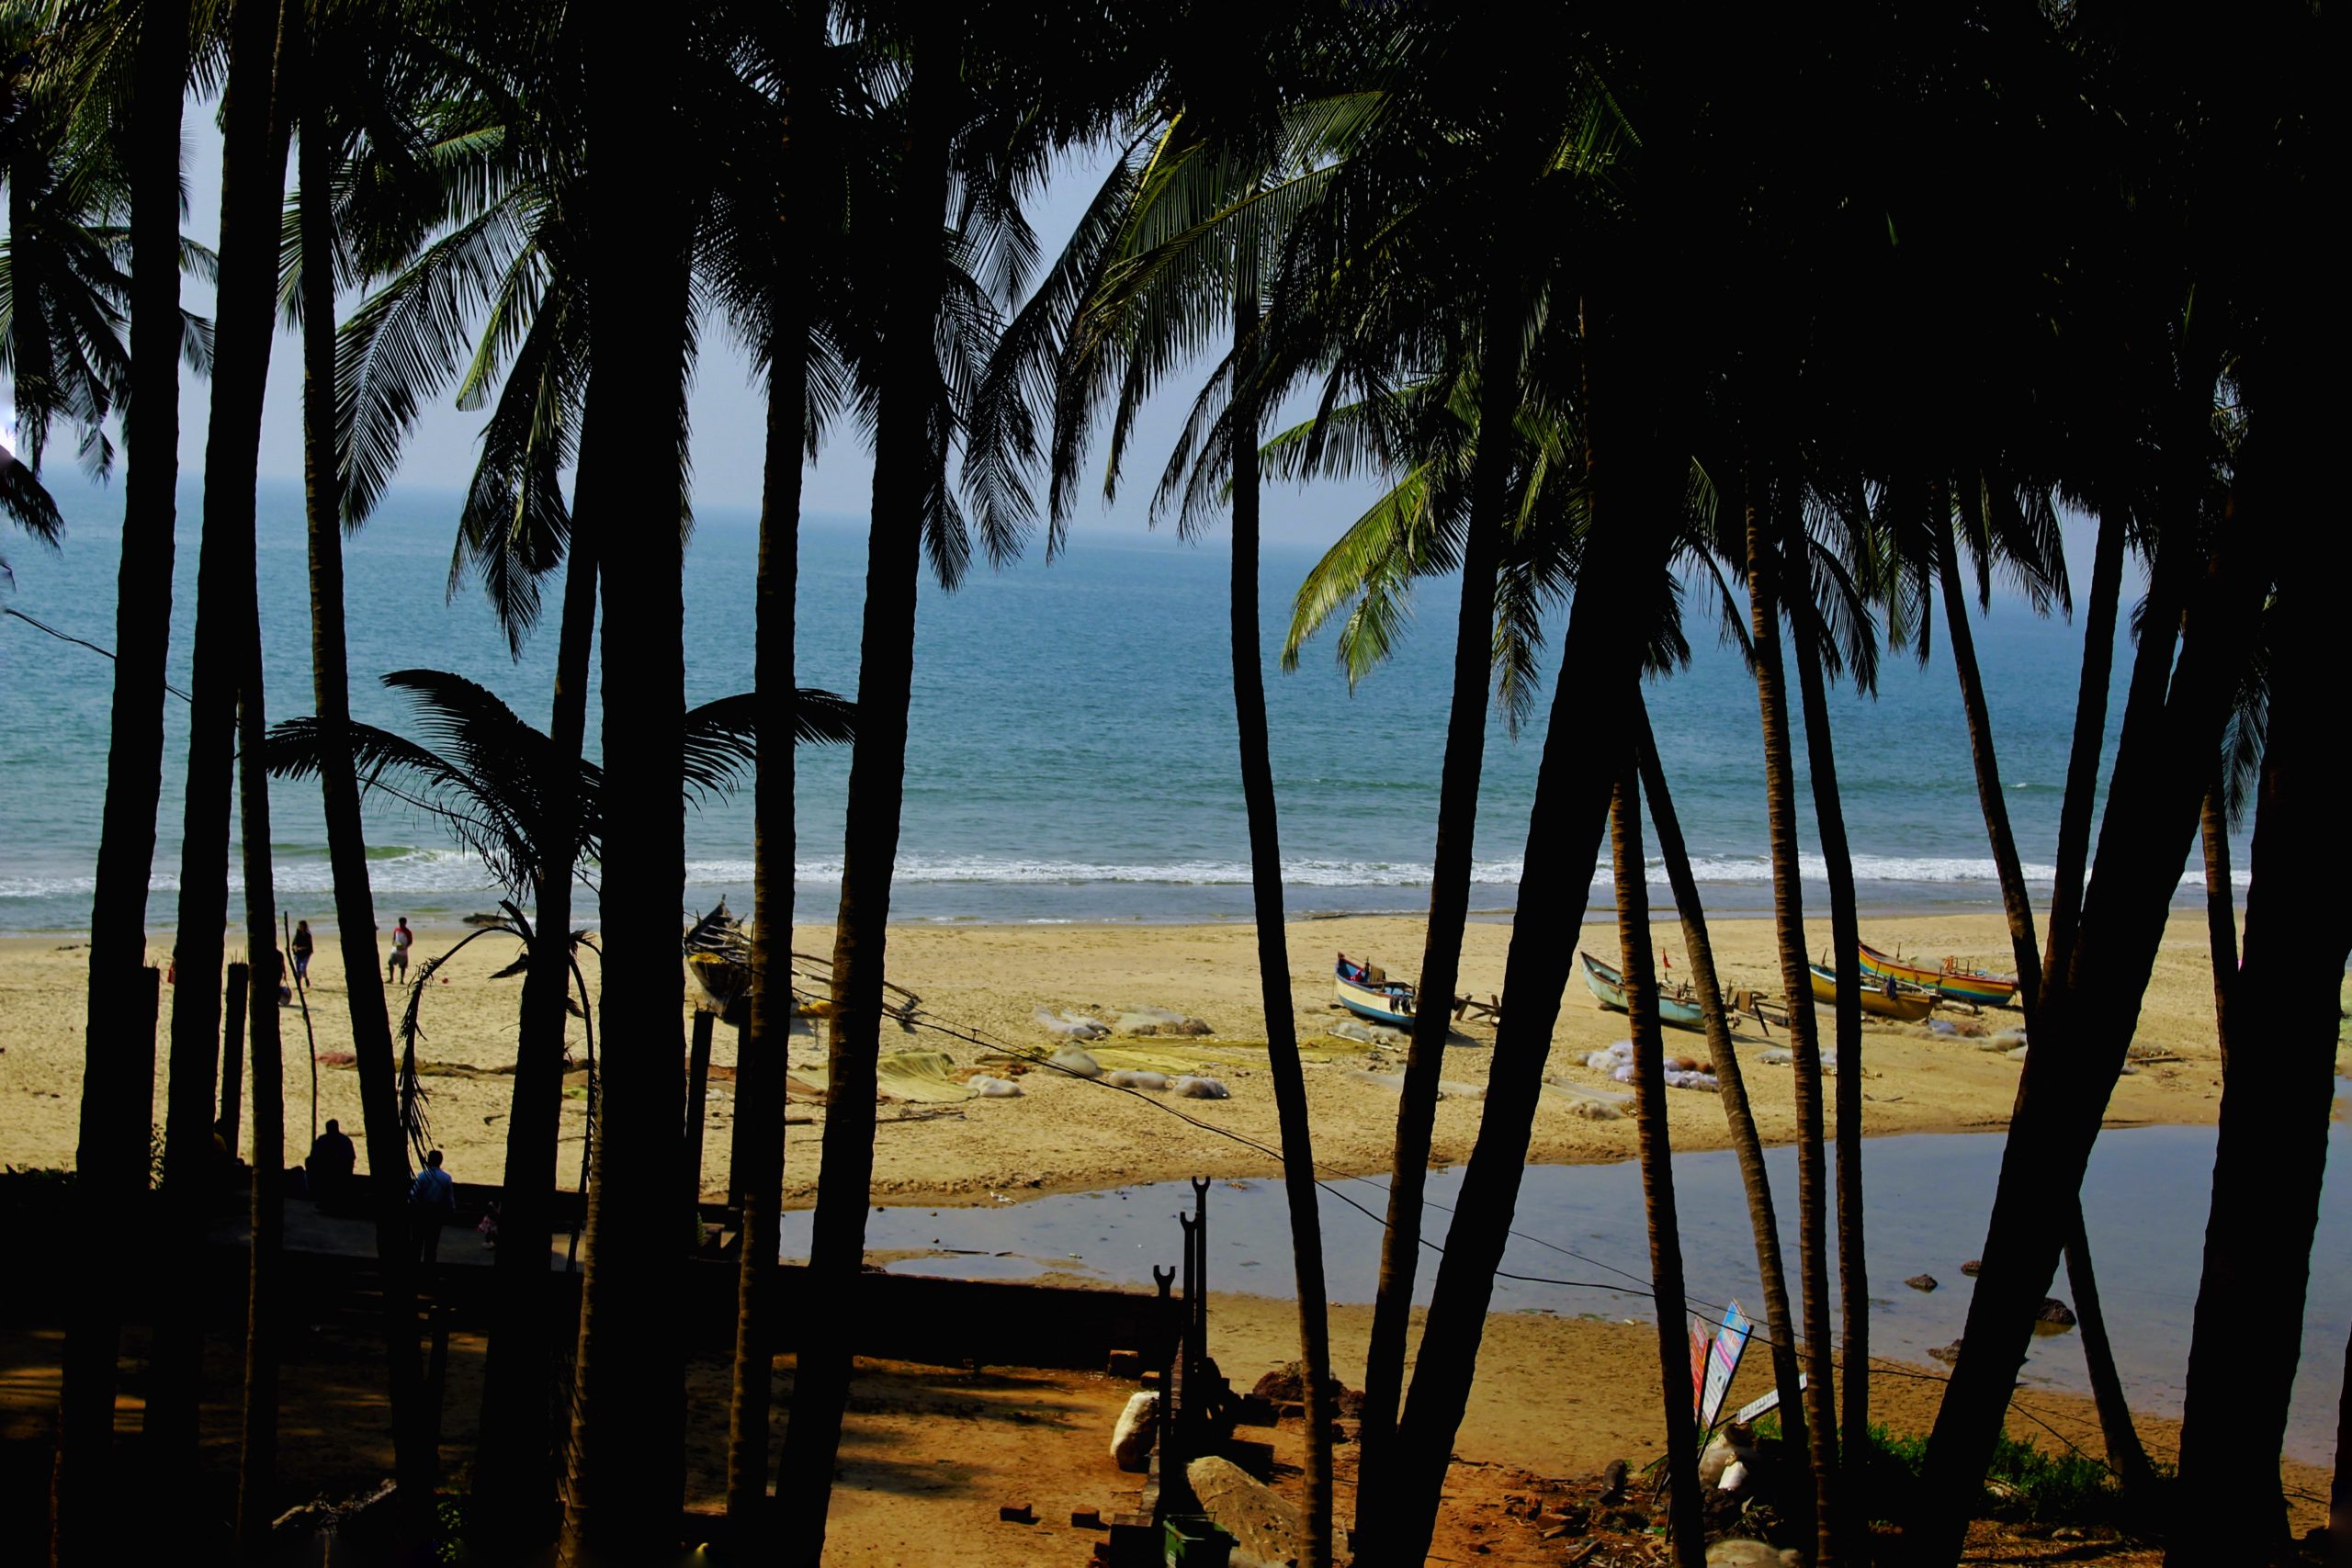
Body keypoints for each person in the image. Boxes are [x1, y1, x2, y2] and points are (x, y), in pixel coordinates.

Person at [410, 1148, 456, 1261]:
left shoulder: (422, 1175)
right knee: (432, 1244)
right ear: (441, 1161)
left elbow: (413, 1194)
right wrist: (451, 1210)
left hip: (422, 1211)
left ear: (428, 1161)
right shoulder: (446, 1178)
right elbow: (449, 1198)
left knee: (417, 1242)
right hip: (436, 1212)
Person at [307, 1117, 356, 1211]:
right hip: (328, 1168)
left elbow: (349, 1158)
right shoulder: (325, 1140)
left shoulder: (342, 1141)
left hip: (337, 1168)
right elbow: (314, 1155)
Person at [388, 917, 413, 984]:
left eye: (402, 923)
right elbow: (394, 938)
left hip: (403, 952)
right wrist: (394, 943)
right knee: (390, 963)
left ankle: (401, 980)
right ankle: (391, 978)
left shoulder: (408, 932)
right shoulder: (396, 929)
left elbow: (410, 942)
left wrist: (404, 947)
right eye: (400, 923)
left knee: (403, 966)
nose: (401, 924)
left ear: (405, 923)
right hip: (395, 950)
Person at [290, 919, 314, 985]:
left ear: (304, 927)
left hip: (306, 954)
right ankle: (299, 984)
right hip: (298, 954)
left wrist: (302, 948)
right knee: (298, 971)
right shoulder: (297, 935)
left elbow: (309, 946)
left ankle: (306, 978)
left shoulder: (308, 935)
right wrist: (295, 948)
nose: (300, 927)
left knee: (303, 968)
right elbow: (293, 945)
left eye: (301, 926)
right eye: (299, 926)